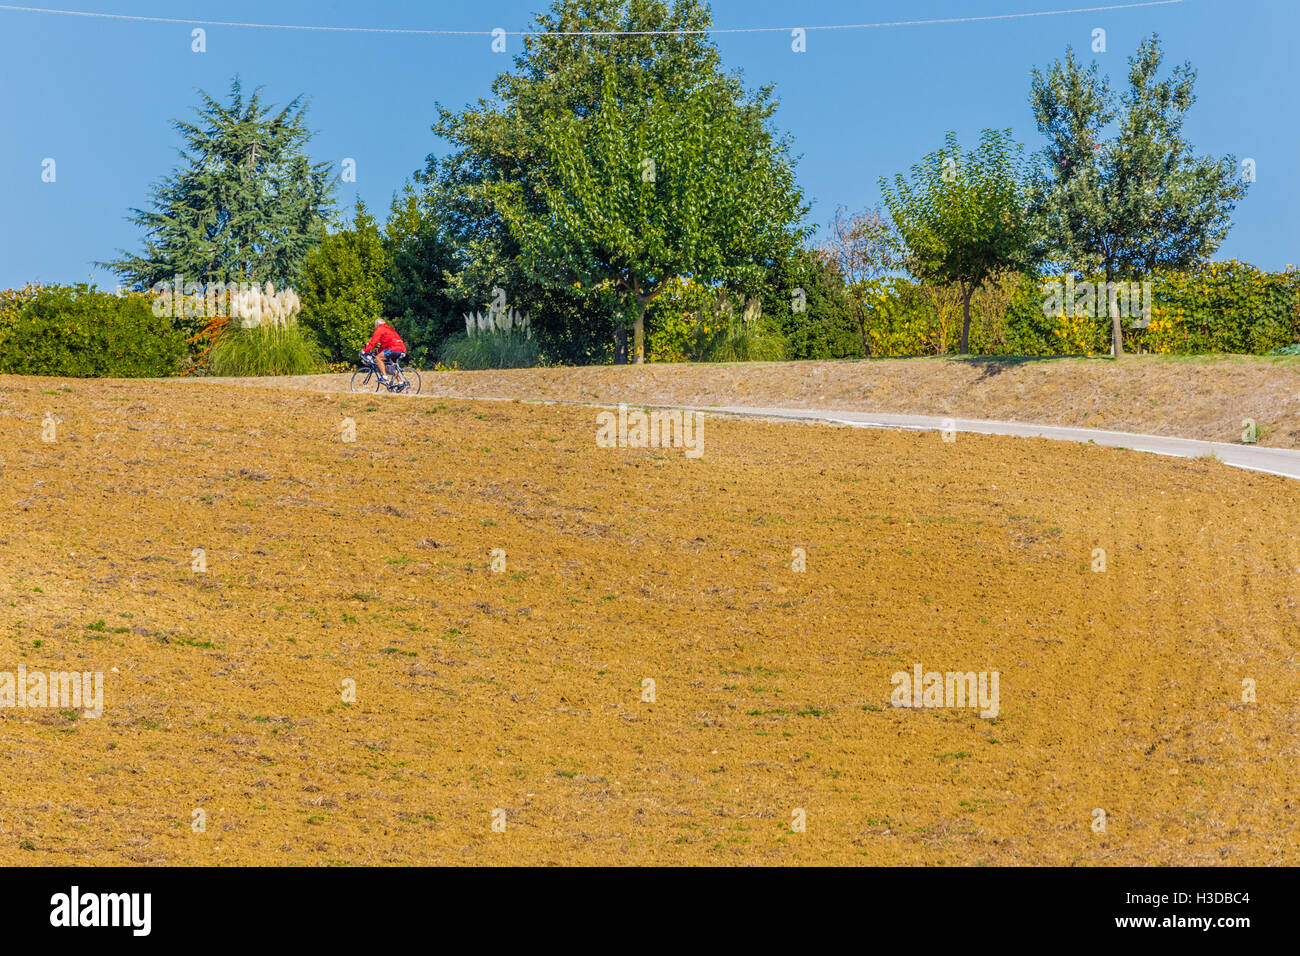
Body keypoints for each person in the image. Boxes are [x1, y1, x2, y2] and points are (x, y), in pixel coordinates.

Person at [362, 319, 407, 388]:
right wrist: (376, 352)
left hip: (393, 348)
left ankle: (384, 377)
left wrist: (364, 351)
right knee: (393, 365)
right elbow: (383, 346)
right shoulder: (389, 329)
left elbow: (373, 342)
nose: (375, 328)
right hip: (401, 349)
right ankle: (400, 382)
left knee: (378, 358)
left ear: (377, 325)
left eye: (375, 326)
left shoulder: (380, 328)